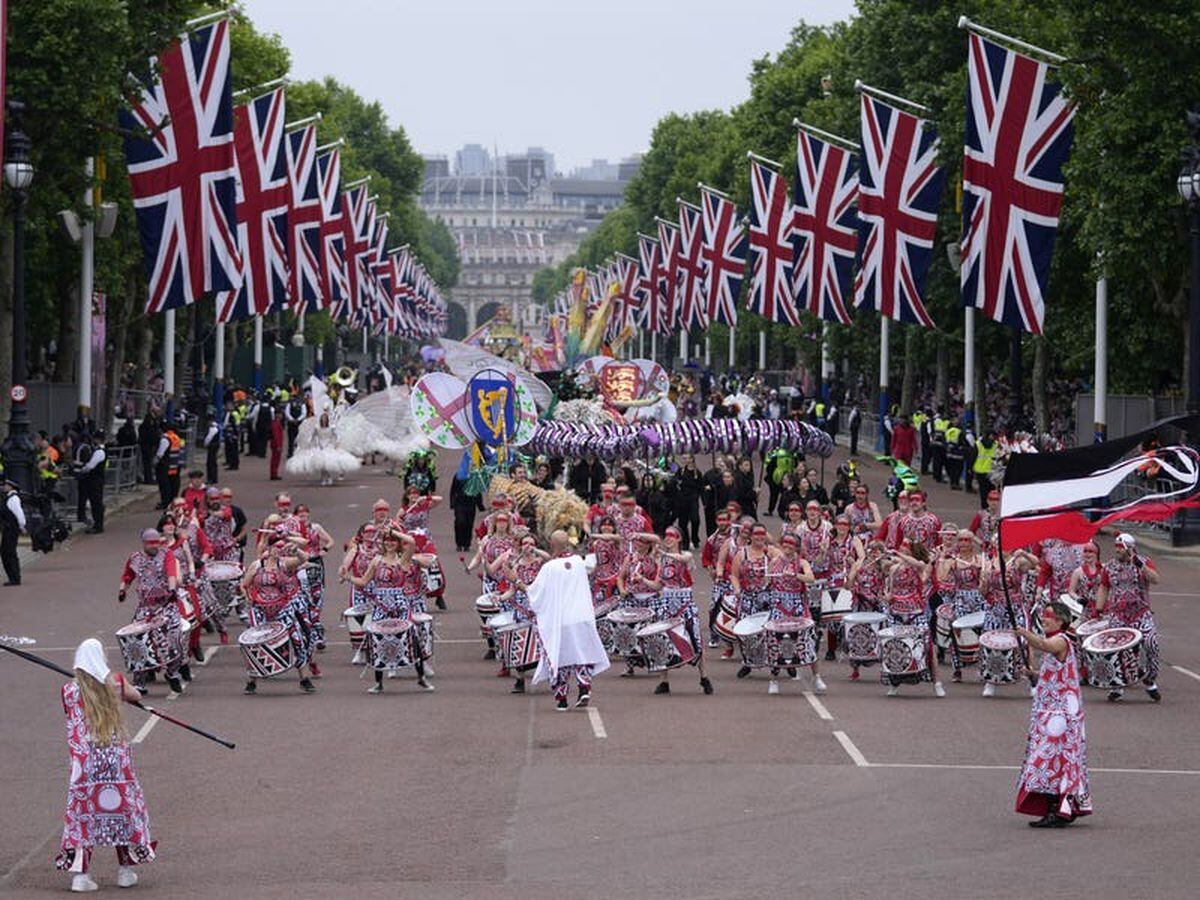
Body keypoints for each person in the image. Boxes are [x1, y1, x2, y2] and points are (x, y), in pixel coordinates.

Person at [55, 639, 156, 892]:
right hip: (115, 765)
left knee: (83, 816)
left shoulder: (68, 691)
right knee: (121, 812)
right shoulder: (116, 684)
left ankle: (81, 876)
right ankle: (125, 870)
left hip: (84, 766)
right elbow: (136, 694)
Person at [1014, 600, 1093, 827]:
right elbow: (1056, 675)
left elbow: (1043, 645)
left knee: (1048, 760)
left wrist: (1024, 634)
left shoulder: (1060, 640)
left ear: (1061, 620)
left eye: (1049, 616)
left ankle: (1056, 809)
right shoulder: (1058, 643)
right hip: (1051, 714)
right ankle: (1059, 807)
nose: (1045, 619)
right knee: (1051, 761)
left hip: (1060, 717)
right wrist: (1034, 674)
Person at [527, 530, 611, 710]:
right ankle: (584, 688)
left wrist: (516, 581)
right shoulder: (579, 563)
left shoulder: (549, 568)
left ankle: (562, 699)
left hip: (561, 621)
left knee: (559, 657)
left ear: (551, 544)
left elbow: (535, 593)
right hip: (581, 618)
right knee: (582, 655)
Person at [349, 529, 436, 693]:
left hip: (400, 604)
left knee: (412, 638)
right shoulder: (376, 560)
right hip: (381, 604)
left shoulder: (403, 559)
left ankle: (421, 678)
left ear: (397, 544)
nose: (389, 543)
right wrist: (348, 577)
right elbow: (363, 581)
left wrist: (393, 531)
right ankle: (378, 682)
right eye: (386, 540)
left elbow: (411, 541)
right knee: (376, 640)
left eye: (393, 541)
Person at [240, 533, 318, 695]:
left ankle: (304, 679)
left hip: (282, 608)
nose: (278, 550)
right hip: (259, 608)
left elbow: (305, 558)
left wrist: (296, 550)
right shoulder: (256, 565)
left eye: (281, 547)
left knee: (297, 640)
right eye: (276, 547)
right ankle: (251, 680)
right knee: (255, 643)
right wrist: (248, 598)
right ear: (269, 548)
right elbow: (245, 584)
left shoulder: (285, 564)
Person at [118, 528, 186, 695]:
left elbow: (171, 572)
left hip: (166, 605)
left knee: (175, 638)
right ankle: (139, 681)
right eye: (150, 544)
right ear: (144, 543)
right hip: (146, 607)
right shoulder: (135, 558)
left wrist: (171, 589)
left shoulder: (166, 554)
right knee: (137, 643)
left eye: (157, 543)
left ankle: (172, 672)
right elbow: (127, 576)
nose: (154, 547)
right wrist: (122, 590)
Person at [1095, 533, 1161, 702]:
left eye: (1120, 547)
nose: (1117, 550)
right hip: (1119, 615)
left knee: (1151, 642)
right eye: (1116, 547)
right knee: (1115, 650)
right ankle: (1117, 687)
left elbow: (1155, 579)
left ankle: (1150, 679)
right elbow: (1104, 587)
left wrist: (1141, 567)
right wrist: (1099, 608)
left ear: (1130, 548)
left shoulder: (1144, 561)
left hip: (1141, 613)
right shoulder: (1109, 567)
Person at [651, 526, 714, 695]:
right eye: (667, 535)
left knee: (696, 641)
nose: (668, 538)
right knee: (663, 640)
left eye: (673, 536)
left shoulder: (687, 555)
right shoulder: (662, 561)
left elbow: (683, 560)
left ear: (679, 538)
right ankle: (664, 681)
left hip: (685, 603)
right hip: (666, 602)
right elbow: (658, 584)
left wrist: (663, 554)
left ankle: (704, 677)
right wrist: (641, 579)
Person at [765, 533, 822, 694]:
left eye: (791, 544)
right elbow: (767, 582)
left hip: (797, 605)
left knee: (808, 640)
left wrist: (795, 575)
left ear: (796, 546)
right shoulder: (775, 561)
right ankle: (774, 680)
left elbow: (811, 578)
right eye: (785, 543)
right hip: (778, 604)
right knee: (775, 642)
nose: (787, 546)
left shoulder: (801, 562)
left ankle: (816, 677)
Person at [73, 430, 107, 534]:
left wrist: (83, 470)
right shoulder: (99, 450)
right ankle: (98, 524)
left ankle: (98, 526)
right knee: (96, 502)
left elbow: (90, 466)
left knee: (96, 503)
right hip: (97, 480)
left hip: (95, 480)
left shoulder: (99, 452)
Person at [450, 472, 484, 553]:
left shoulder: (475, 476)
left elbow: (478, 491)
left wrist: (480, 505)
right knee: (460, 522)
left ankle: (466, 544)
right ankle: (459, 543)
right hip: (460, 503)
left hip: (471, 503)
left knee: (469, 524)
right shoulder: (458, 476)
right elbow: (453, 490)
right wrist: (452, 502)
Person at [673, 455, 703, 549]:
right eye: (684, 458)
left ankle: (695, 538)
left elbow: (700, 486)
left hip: (693, 500)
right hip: (682, 500)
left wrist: (702, 499)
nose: (685, 460)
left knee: (695, 520)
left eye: (687, 458)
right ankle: (685, 541)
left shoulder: (697, 473)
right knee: (683, 522)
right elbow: (675, 481)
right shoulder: (680, 471)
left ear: (692, 459)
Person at [202, 412, 221, 485]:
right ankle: (214, 478)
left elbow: (208, 438)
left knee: (210, 463)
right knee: (213, 462)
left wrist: (205, 444)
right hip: (215, 446)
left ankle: (211, 478)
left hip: (212, 446)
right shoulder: (216, 427)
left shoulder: (213, 428)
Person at [268, 407, 284, 480]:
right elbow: (276, 435)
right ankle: (274, 474)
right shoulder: (275, 424)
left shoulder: (275, 423)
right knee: (275, 460)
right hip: (276, 444)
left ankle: (274, 473)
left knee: (276, 459)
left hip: (276, 444)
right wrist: (278, 445)